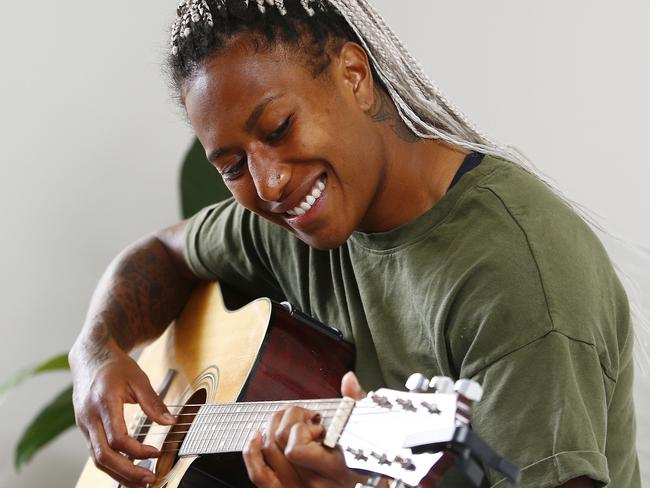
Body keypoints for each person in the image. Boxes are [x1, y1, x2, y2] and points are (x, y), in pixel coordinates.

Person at [68, 0, 640, 487]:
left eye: (278, 129)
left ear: (354, 77)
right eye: (232, 165)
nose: (267, 183)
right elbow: (162, 254)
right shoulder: (288, 223)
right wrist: (95, 354)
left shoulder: (516, 280)